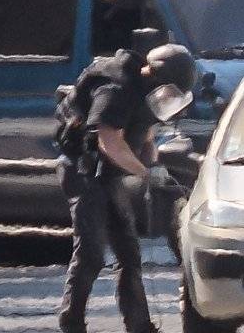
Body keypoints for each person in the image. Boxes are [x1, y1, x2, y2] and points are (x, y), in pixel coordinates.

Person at [55, 43, 196, 333]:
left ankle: (139, 326)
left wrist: (156, 167)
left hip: (109, 173)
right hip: (83, 171)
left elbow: (144, 134)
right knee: (92, 252)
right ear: (155, 76)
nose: (169, 98)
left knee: (129, 253)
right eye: (170, 89)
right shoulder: (116, 90)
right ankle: (71, 321)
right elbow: (110, 143)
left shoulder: (146, 92)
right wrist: (145, 174)